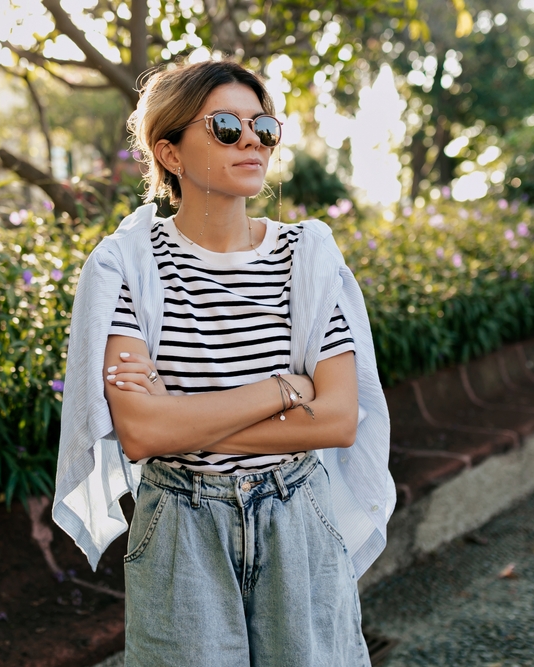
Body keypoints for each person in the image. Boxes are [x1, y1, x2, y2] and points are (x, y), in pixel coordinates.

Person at [53, 59, 396, 667]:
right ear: (171, 153)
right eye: (225, 126)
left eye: (263, 126)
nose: (252, 142)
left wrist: (183, 415)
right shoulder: (126, 265)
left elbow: (341, 419)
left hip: (298, 514)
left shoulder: (307, 256)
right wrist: (286, 387)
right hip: (181, 523)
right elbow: (141, 432)